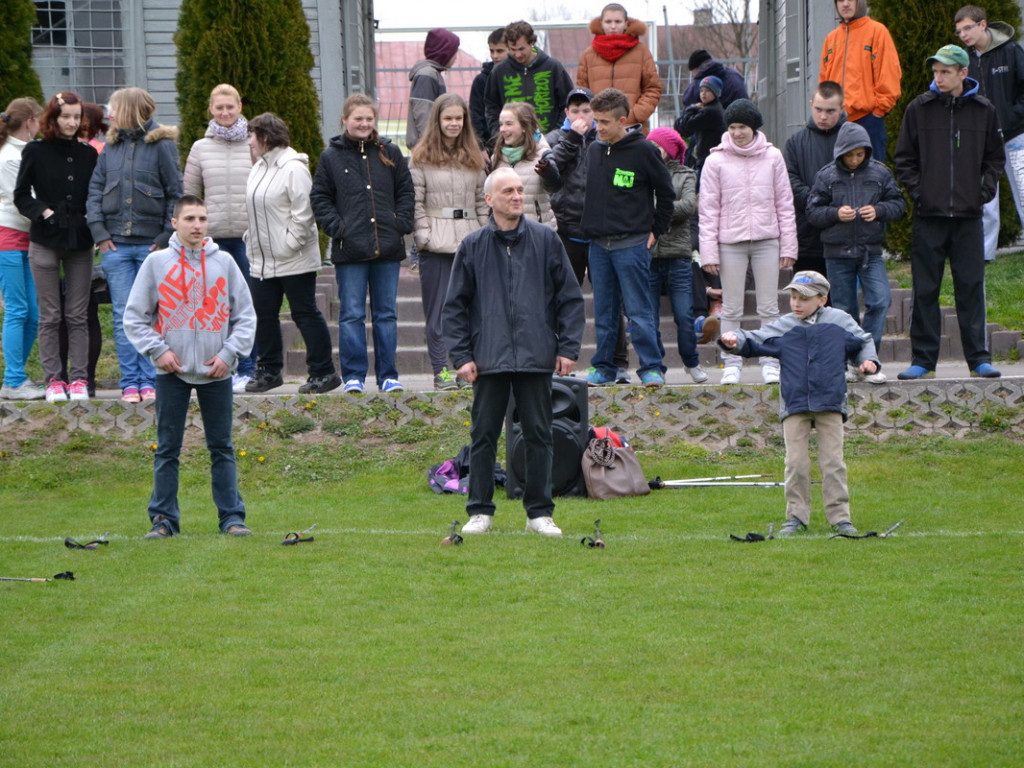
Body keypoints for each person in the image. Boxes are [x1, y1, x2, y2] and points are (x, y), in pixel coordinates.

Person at [442, 167, 584, 537]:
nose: (517, 197)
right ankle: (480, 511)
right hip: (487, 358)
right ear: (489, 199)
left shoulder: (546, 240)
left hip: (536, 354)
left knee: (540, 433)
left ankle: (539, 513)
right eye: (508, 191)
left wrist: (568, 347)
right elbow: (454, 307)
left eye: (521, 190)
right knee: (483, 434)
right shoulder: (472, 246)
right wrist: (461, 357)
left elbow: (569, 298)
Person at [123, 195, 256, 539]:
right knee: (167, 448)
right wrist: (158, 351)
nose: (197, 225)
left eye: (202, 218)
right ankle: (164, 520)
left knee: (222, 447)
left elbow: (245, 317)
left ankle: (232, 518)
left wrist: (229, 355)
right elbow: (135, 318)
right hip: (172, 372)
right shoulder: (156, 264)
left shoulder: (225, 262)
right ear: (175, 223)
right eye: (190, 219)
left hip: (217, 372)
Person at [719, 271, 879, 537]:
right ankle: (795, 517)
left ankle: (841, 519)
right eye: (793, 297)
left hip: (830, 402)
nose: (796, 303)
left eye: (803, 298)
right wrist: (735, 341)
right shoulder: (784, 325)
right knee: (795, 464)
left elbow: (862, 342)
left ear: (822, 299)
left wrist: (868, 361)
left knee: (833, 463)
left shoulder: (840, 321)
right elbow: (755, 338)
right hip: (794, 404)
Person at [894, 45, 1004, 380]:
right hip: (930, 217)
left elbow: (994, 160)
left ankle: (978, 359)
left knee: (970, 287)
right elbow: (904, 159)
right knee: (925, 289)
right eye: (935, 72)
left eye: (945, 72)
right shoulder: (919, 109)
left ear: (962, 73)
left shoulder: (984, 111)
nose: (938, 78)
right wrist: (920, 193)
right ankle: (924, 361)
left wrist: (981, 193)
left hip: (969, 218)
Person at [311, 95, 414, 394]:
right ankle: (354, 375)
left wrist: (400, 224)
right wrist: (338, 229)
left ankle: (388, 376)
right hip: (350, 249)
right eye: (358, 118)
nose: (364, 124)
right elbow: (320, 198)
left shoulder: (391, 152)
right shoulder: (331, 157)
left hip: (387, 247)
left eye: (369, 119)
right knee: (352, 314)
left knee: (386, 314)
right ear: (345, 120)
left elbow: (405, 192)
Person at [86, 86, 182, 403]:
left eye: (114, 108)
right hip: (116, 247)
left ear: (129, 110)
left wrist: (162, 239)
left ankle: (151, 378)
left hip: (152, 249)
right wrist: (100, 233)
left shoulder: (162, 146)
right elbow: (95, 192)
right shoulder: (110, 147)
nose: (110, 114)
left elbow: (176, 195)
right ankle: (130, 382)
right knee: (124, 315)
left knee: (153, 314)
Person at [579, 88, 674, 388]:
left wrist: (656, 230)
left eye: (605, 122)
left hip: (632, 244)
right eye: (596, 121)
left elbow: (667, 194)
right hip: (598, 246)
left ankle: (651, 368)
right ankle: (605, 368)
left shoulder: (644, 151)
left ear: (622, 120)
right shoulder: (594, 149)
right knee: (604, 312)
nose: (599, 127)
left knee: (638, 310)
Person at [699, 98, 797, 385]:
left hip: (768, 240)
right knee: (731, 307)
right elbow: (708, 209)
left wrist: (788, 246)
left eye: (742, 126)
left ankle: (770, 361)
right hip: (730, 243)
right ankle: (732, 361)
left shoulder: (773, 156)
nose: (737, 132)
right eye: (732, 127)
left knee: (769, 307)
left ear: (753, 127)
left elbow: (785, 203)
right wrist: (709, 253)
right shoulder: (715, 160)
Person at [246, 112, 339, 394]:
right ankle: (269, 371)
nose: (248, 142)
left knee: (304, 313)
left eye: (251, 135)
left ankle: (324, 372)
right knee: (263, 313)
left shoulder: (293, 168)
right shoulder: (259, 167)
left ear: (265, 137)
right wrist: (252, 241)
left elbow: (303, 214)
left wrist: (287, 245)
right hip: (263, 260)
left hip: (293, 259)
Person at [806, 121, 905, 383]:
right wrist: (836, 214)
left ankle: (868, 361)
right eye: (849, 155)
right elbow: (812, 212)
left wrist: (879, 211)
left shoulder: (880, 174)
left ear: (867, 152)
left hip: (869, 252)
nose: (854, 160)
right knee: (844, 310)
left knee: (881, 300)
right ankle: (851, 362)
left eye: (860, 154)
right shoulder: (826, 176)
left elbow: (898, 204)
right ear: (840, 153)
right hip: (837, 254)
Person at [14, 92, 97, 403]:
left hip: (81, 242)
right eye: (66, 117)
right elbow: (21, 195)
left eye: (77, 117)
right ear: (53, 118)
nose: (72, 122)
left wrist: (91, 213)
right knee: (50, 315)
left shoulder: (89, 154)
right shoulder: (35, 151)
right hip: (45, 239)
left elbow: (95, 193)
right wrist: (44, 212)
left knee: (77, 315)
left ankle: (78, 380)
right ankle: (53, 380)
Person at [410, 94, 489, 391]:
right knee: (439, 311)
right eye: (448, 118)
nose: (454, 124)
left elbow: (482, 200)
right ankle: (441, 371)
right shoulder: (421, 157)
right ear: (438, 121)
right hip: (436, 242)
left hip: (470, 239)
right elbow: (416, 202)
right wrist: (423, 236)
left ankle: (465, 370)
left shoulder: (474, 156)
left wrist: (484, 232)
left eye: (459, 118)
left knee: (471, 309)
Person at [183, 83, 257, 392]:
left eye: (230, 107)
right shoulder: (200, 147)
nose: (225, 112)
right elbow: (189, 195)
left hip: (247, 238)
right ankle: (214, 365)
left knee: (245, 306)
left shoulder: (254, 144)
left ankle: (249, 368)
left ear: (240, 107)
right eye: (219, 108)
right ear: (211, 110)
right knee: (212, 307)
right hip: (210, 241)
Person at [955, 5, 1024, 262]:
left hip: (1016, 135)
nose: (963, 35)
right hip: (982, 140)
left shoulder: (1010, 51)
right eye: (959, 31)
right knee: (986, 198)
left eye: (967, 28)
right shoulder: (964, 59)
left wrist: (1013, 116)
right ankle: (984, 255)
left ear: (983, 25)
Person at [645, 127, 707, 383]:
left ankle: (691, 362)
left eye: (656, 146)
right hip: (648, 255)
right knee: (649, 317)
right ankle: (655, 365)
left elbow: (688, 207)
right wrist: (666, 208)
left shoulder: (685, 174)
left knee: (684, 314)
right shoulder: (642, 172)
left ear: (668, 151)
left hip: (678, 255)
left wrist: (656, 210)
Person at [0, 98, 44, 401]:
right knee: (17, 310)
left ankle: (16, 377)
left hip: (27, 240)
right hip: (8, 239)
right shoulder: (8, 156)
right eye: (39, 119)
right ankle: (13, 381)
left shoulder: (25, 151)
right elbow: (23, 199)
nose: (40, 124)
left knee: (34, 314)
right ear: (29, 121)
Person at [819, 0, 902, 162]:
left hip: (868, 121)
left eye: (851, 0)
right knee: (837, 180)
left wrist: (878, 112)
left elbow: (889, 74)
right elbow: (824, 81)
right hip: (835, 122)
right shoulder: (831, 39)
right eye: (840, 0)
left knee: (870, 180)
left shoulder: (877, 32)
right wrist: (825, 112)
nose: (845, 4)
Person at [783, 80, 847, 278]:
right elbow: (789, 181)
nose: (823, 116)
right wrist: (816, 204)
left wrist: (835, 208)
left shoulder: (853, 139)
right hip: (807, 237)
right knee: (807, 299)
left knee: (840, 305)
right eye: (819, 109)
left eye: (830, 111)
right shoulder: (795, 142)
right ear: (811, 104)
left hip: (844, 235)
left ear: (842, 108)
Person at [576, 3, 662, 133]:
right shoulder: (588, 55)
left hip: (632, 128)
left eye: (618, 21)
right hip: (598, 129)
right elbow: (582, 92)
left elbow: (653, 88)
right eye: (608, 21)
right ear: (601, 23)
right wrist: (595, 117)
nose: (613, 26)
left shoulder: (641, 51)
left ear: (626, 23)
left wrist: (634, 115)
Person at [484, 20, 575, 135]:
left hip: (550, 143)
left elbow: (567, 103)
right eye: (513, 49)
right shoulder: (499, 71)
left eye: (521, 49)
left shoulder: (553, 67)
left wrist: (557, 134)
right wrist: (500, 135)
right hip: (512, 143)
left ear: (531, 42)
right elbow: (491, 108)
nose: (517, 54)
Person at [492, 101, 557, 229]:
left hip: (537, 232)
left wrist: (549, 174)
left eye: (509, 124)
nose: (503, 129)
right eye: (501, 124)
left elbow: (555, 187)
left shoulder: (543, 153)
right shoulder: (496, 157)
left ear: (524, 126)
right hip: (505, 232)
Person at [406, 28, 461, 150]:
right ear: (445, 52)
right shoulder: (427, 75)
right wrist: (430, 148)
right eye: (454, 51)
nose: (456, 57)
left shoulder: (432, 73)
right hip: (428, 149)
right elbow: (423, 113)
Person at [675, 75, 726, 178]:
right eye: (701, 90)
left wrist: (691, 108)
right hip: (710, 156)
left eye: (707, 90)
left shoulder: (710, 111)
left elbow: (687, 125)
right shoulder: (713, 108)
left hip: (707, 158)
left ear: (715, 93)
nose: (703, 94)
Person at [470, 28, 509, 151]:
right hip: (491, 145)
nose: (495, 56)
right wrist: (480, 147)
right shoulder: (482, 80)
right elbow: (475, 116)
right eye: (492, 51)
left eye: (500, 51)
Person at [681, 50, 749, 109]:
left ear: (697, 69)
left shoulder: (700, 82)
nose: (694, 76)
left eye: (693, 73)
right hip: (743, 120)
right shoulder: (735, 75)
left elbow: (686, 113)